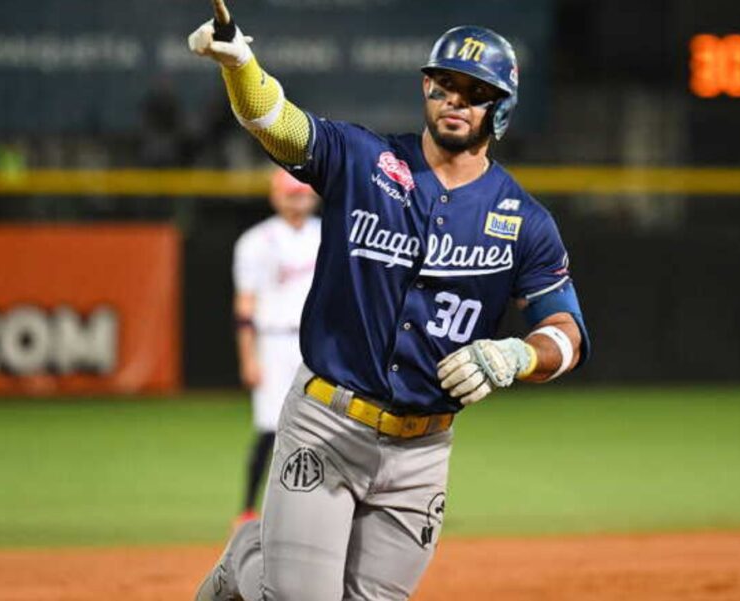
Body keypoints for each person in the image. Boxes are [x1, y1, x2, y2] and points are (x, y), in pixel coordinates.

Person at [189, 15, 591, 601]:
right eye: (446, 85)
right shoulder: (364, 159)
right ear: (426, 88)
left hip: (422, 453)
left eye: (477, 93)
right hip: (327, 425)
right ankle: (249, 559)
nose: (457, 101)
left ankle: (258, 555)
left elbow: (567, 332)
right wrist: (240, 67)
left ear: (501, 109)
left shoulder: (525, 222)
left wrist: (517, 355)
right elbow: (278, 125)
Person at [232, 168, 321, 524]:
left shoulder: (329, 234)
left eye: (302, 193)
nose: (298, 200)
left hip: (317, 341)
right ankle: (248, 509)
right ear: (275, 195)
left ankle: (314, 510)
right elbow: (244, 306)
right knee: (270, 427)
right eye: (291, 193)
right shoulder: (256, 241)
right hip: (273, 340)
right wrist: (248, 356)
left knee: (322, 428)